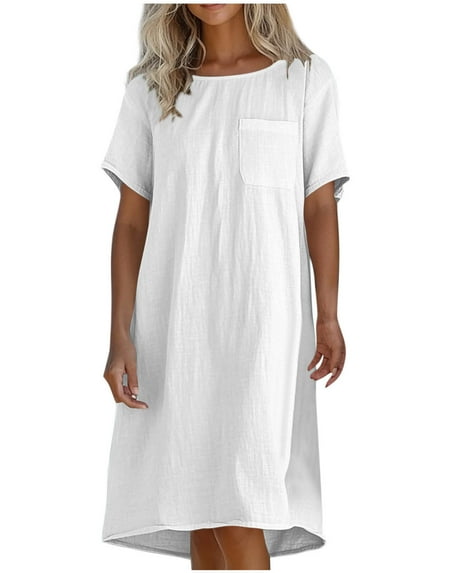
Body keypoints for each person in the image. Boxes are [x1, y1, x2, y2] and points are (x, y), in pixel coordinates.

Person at [100, 3, 350, 570]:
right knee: (199, 505)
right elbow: (132, 221)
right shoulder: (153, 90)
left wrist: (329, 314)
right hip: (176, 326)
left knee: (241, 501)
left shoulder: (303, 78)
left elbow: (319, 204)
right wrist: (120, 334)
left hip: (266, 323)